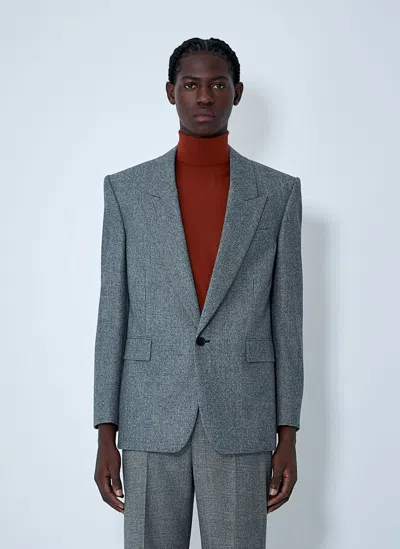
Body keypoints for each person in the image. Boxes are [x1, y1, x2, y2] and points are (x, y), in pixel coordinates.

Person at [93, 36, 304, 549]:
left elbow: (287, 319)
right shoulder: (126, 191)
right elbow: (112, 314)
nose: (204, 96)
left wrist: (288, 433)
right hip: (149, 414)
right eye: (191, 85)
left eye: (218, 85)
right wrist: (105, 431)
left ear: (237, 93)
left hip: (242, 414)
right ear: (171, 92)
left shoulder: (278, 193)